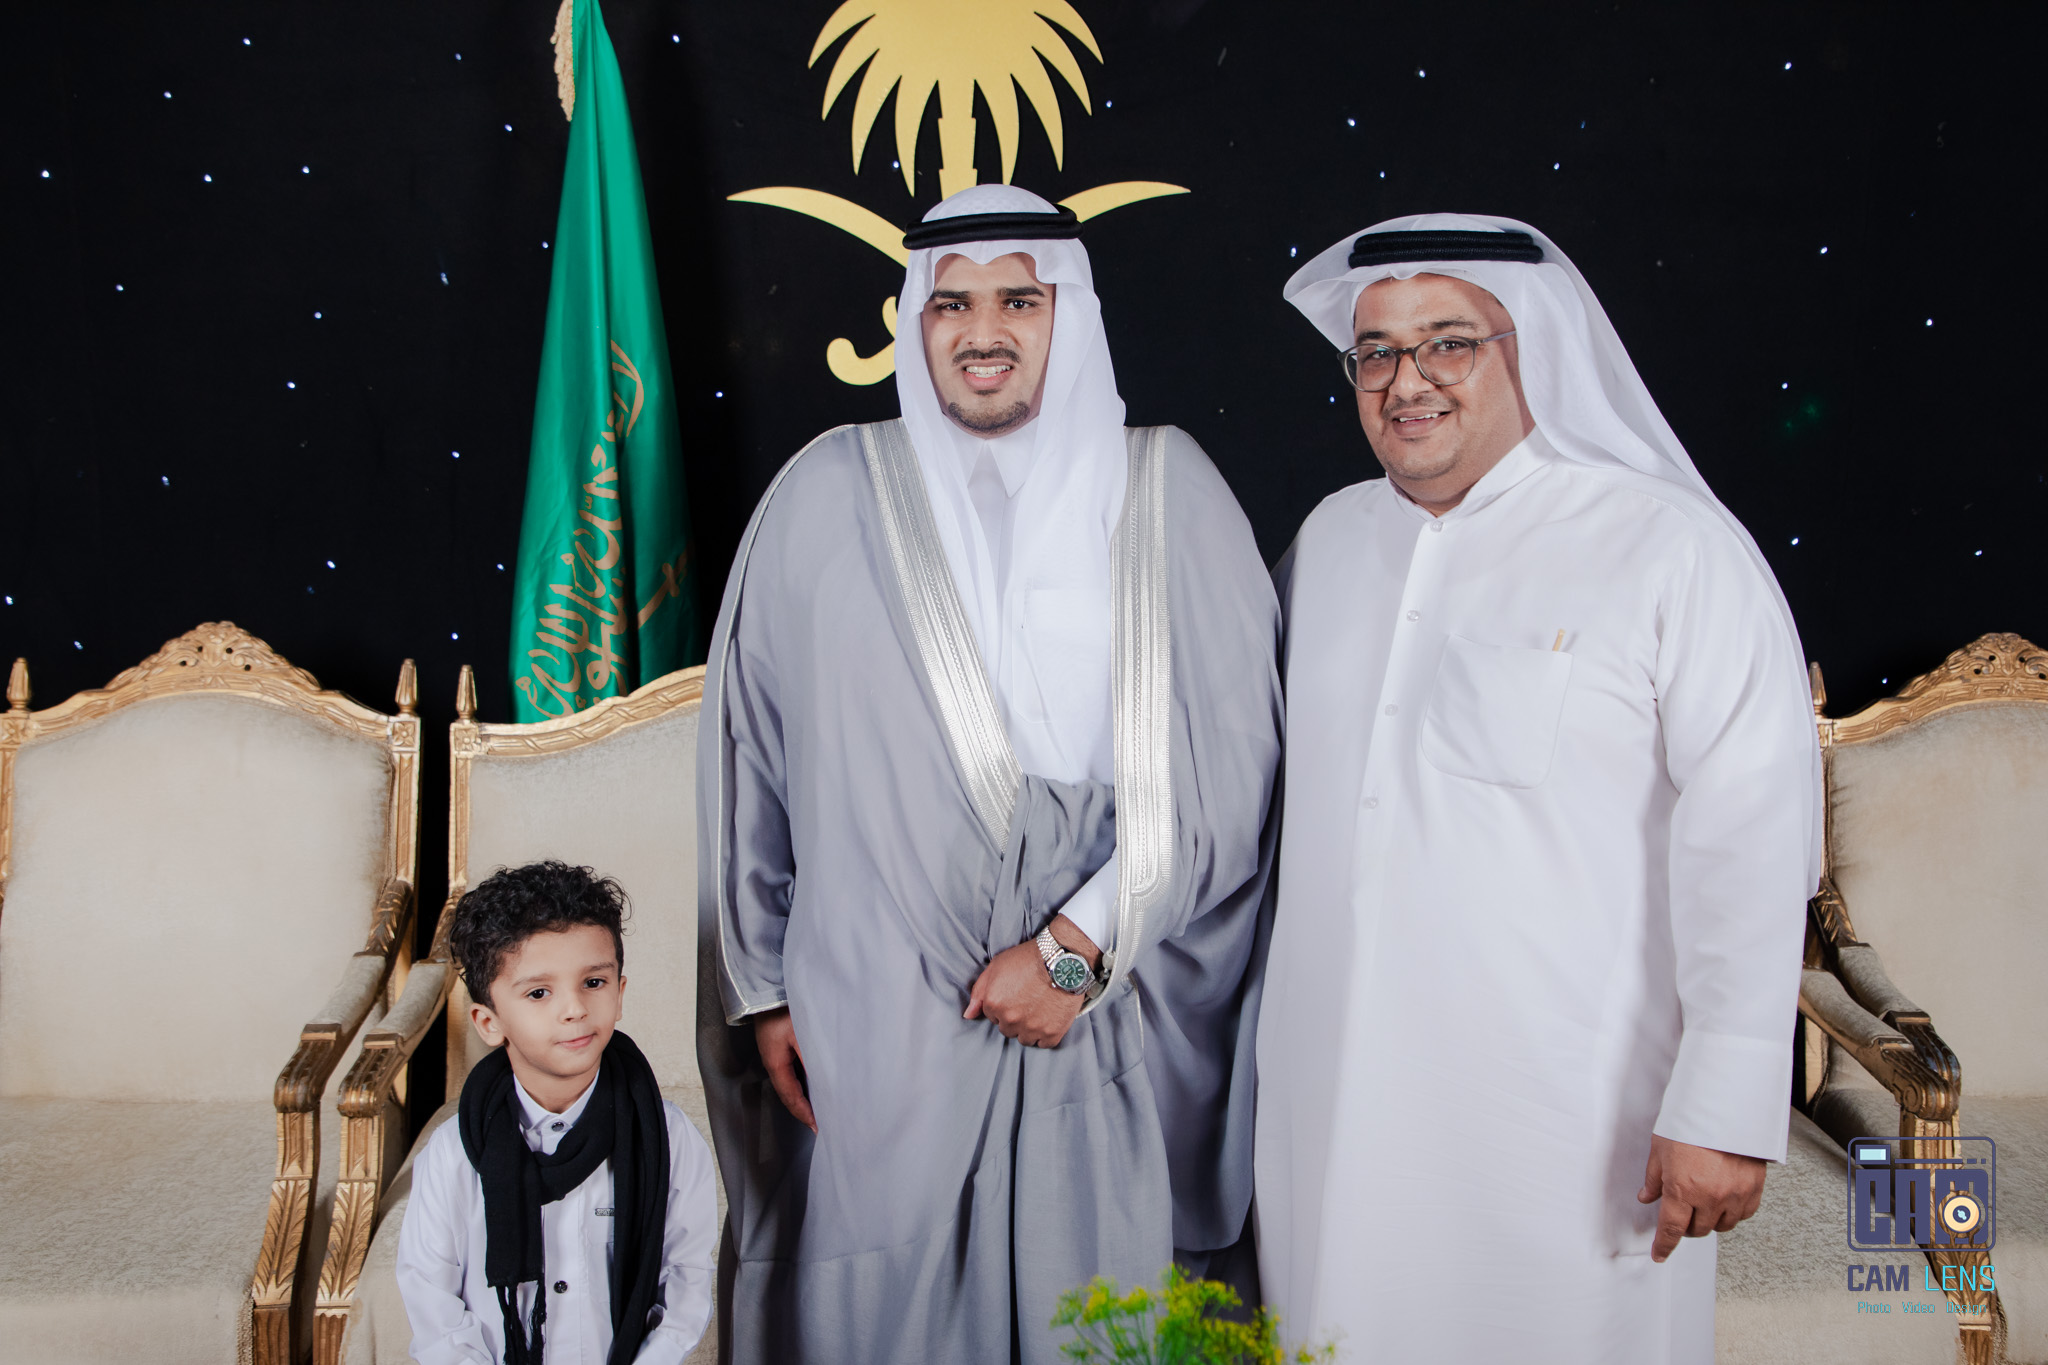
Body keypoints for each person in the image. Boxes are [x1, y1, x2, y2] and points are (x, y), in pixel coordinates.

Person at [696, 183, 1281, 1364]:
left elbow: (1236, 778)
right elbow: (753, 756)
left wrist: (1074, 955)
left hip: (1106, 1012)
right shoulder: (823, 493)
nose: (981, 331)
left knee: (1097, 1308)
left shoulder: (1167, 490)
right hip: (883, 1016)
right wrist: (763, 989)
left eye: (1019, 299)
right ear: (914, 321)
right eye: (949, 302)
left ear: (1071, 315)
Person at [1253, 216, 1821, 1363]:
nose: (1404, 382)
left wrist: (1722, 1104)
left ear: (1534, 349)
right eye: (1374, 353)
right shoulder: (1326, 540)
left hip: (1565, 1123)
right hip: (1328, 1102)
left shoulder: (1670, 548)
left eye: (1447, 343)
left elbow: (1754, 842)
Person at [397, 861, 717, 1364]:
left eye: (594, 982)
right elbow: (433, 1302)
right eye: (539, 993)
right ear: (488, 1021)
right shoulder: (451, 1153)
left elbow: (684, 1284)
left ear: (620, 994)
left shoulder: (669, 1137)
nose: (574, 1009)